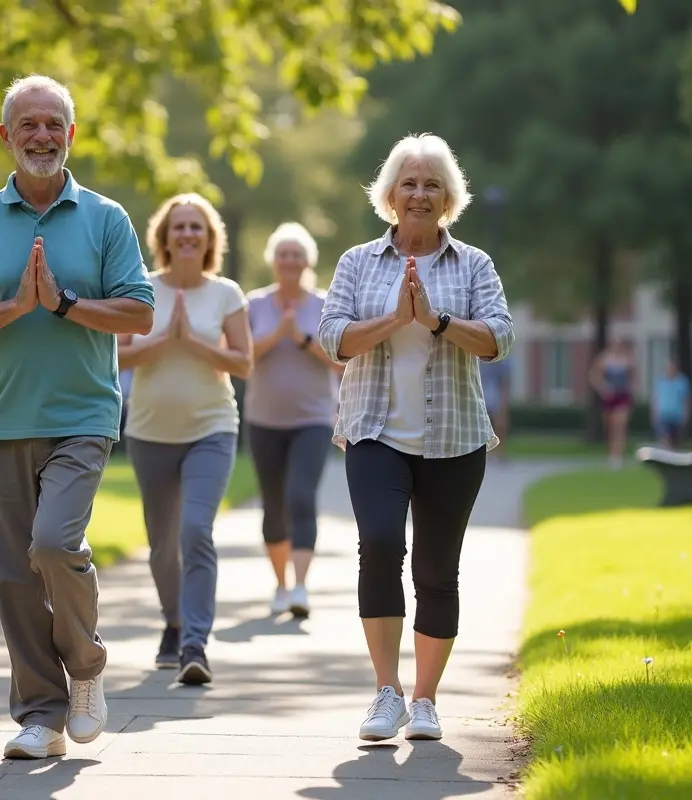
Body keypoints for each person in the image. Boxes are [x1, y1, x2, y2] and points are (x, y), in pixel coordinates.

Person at [0, 74, 154, 760]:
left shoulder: (106, 219)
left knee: (54, 544)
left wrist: (62, 304)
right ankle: (41, 716)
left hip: (83, 415)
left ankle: (85, 669)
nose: (43, 136)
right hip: (1, 421)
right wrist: (14, 308)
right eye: (29, 124)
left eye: (54, 123)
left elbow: (140, 312)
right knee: (15, 577)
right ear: (6, 136)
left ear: (72, 134)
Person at [318, 133, 515, 743]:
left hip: (453, 438)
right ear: (391, 194)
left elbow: (498, 338)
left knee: (436, 570)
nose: (420, 194)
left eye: (432, 184)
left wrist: (437, 321)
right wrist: (397, 320)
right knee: (378, 543)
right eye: (409, 182)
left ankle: (425, 699)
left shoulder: (475, 264)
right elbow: (334, 339)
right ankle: (386, 691)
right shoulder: (357, 262)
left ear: (448, 196)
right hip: (375, 431)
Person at [119, 193, 252, 685]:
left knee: (196, 530)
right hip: (150, 431)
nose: (188, 234)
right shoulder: (141, 290)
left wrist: (192, 341)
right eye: (179, 226)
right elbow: (118, 357)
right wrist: (163, 340)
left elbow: (243, 363)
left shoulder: (226, 294)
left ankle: (195, 644)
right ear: (165, 237)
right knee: (161, 546)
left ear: (210, 237)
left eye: (197, 226)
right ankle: (173, 623)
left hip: (210, 429)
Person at [244, 222, 342, 619]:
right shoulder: (254, 304)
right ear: (273, 260)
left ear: (307, 261)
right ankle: (281, 586)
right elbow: (239, 358)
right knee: (273, 504)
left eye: (296, 254)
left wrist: (302, 339)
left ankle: (301, 587)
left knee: (300, 496)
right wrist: (276, 334)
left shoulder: (324, 304)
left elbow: (342, 362)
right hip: (263, 419)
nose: (289, 260)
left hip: (314, 419)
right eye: (282, 253)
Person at [589, 340, 635, 469]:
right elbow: (593, 376)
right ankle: (611, 453)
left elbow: (632, 378)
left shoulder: (627, 359)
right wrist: (603, 388)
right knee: (609, 426)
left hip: (622, 395)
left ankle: (618, 455)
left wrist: (631, 392)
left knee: (620, 424)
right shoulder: (604, 359)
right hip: (609, 396)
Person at [652, 358, 691, 449]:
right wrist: (654, 412)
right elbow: (655, 398)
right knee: (665, 437)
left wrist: (686, 413)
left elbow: (686, 399)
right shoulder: (660, 381)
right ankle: (664, 452)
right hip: (663, 414)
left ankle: (673, 454)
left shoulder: (682, 382)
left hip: (676, 415)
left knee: (675, 439)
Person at [478, 357, 512, 460]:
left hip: (496, 395)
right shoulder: (481, 361)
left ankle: (500, 452)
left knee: (500, 424)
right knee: (481, 426)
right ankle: (483, 452)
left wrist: (504, 403)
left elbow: (505, 384)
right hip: (482, 394)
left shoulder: (504, 363)